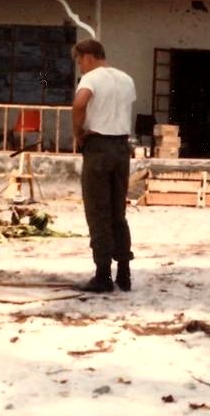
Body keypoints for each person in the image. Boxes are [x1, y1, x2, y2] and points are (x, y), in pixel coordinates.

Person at [71, 38, 137, 293]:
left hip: (98, 147)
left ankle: (102, 275)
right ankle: (124, 272)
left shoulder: (91, 79)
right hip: (122, 148)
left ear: (88, 57)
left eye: (79, 62)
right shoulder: (126, 79)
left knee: (98, 212)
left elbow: (79, 104)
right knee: (117, 212)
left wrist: (78, 133)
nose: (80, 67)